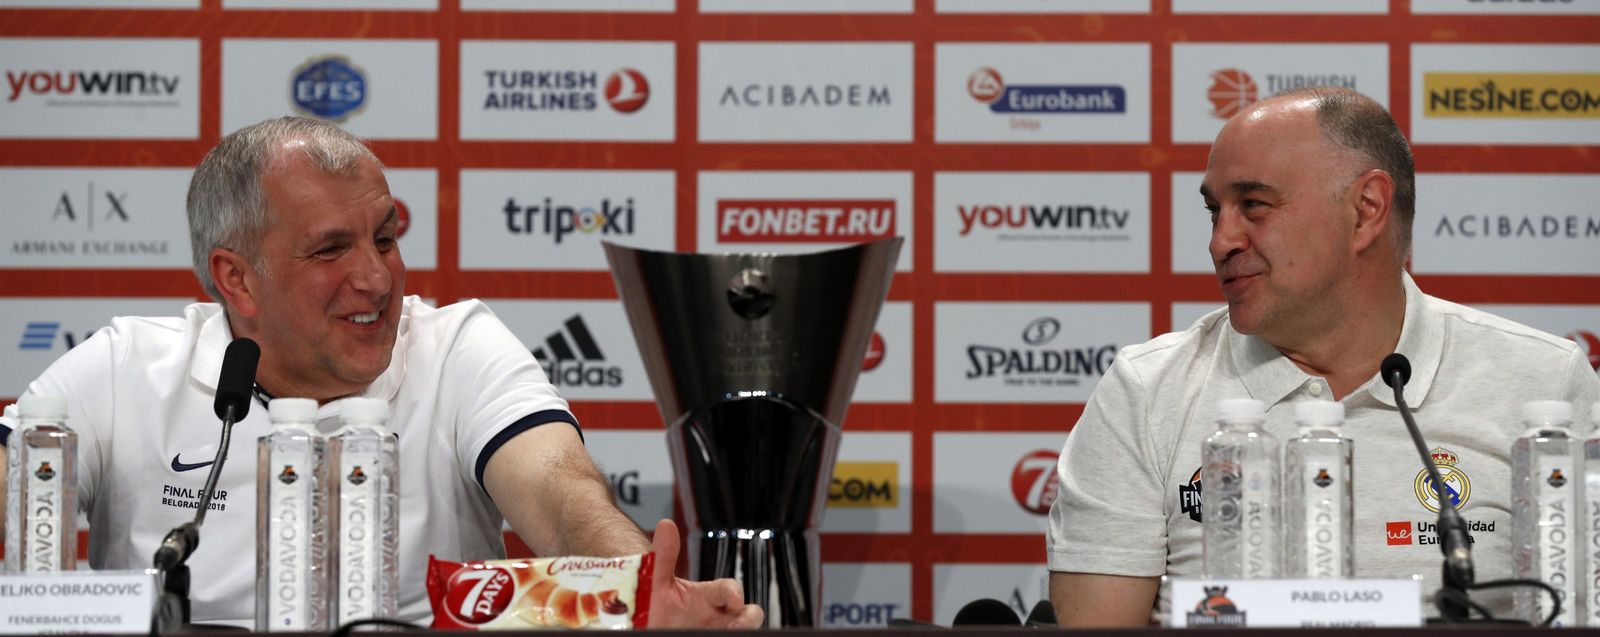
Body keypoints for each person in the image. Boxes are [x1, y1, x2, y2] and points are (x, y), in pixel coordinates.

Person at [0, 116, 762, 629]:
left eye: (386, 236)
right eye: (330, 250)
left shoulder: (457, 343)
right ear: (237, 279)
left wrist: (634, 585)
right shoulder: (124, 364)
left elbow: (560, 490)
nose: (377, 277)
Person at [1045, 87, 1600, 626]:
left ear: (1366, 209)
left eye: (1254, 205)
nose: (1220, 241)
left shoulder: (1545, 383)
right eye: (1215, 211)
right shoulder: (1147, 391)